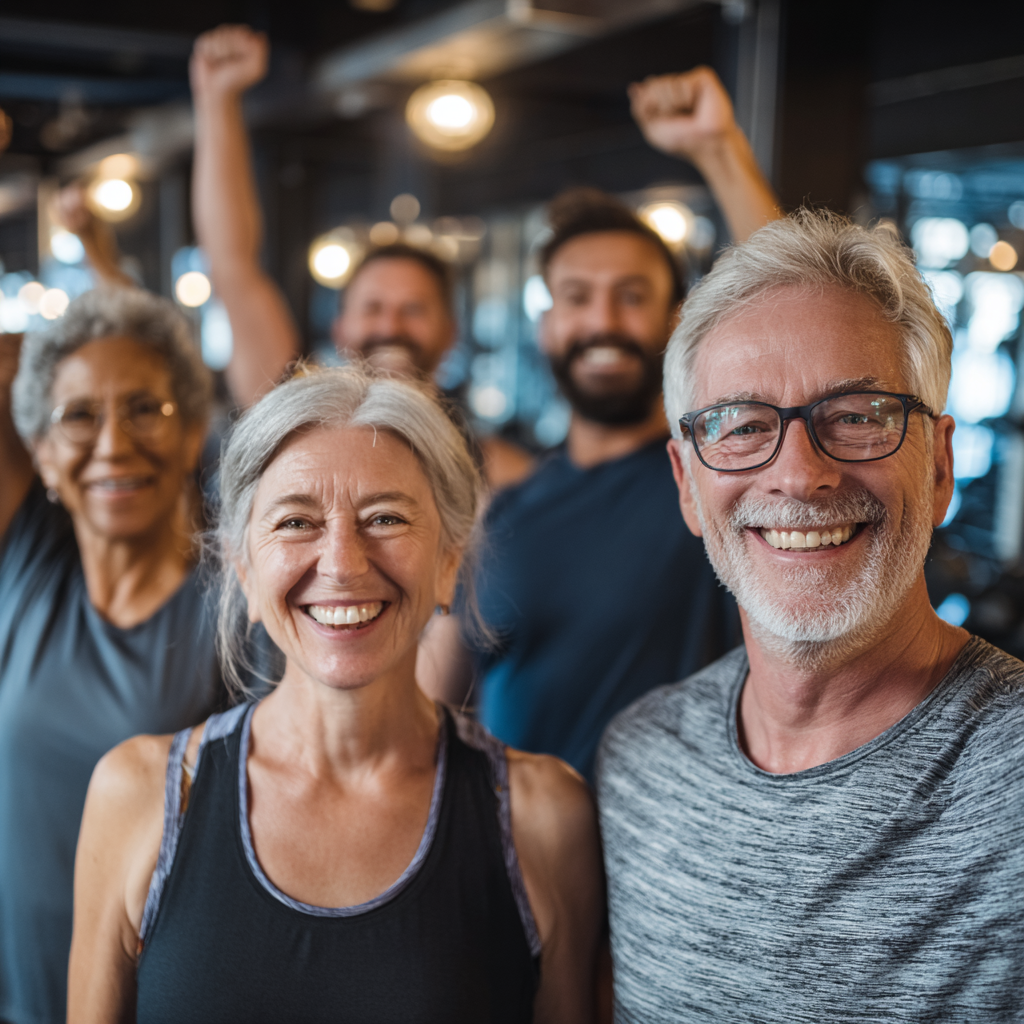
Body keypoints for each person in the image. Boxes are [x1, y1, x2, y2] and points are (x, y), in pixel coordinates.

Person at [68, 366, 604, 1023]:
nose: (343, 565)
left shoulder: (542, 818)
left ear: (447, 563)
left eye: (385, 518)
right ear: (243, 570)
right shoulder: (139, 795)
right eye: (296, 522)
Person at [597, 209, 1024, 1020]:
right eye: (745, 425)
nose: (799, 475)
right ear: (688, 484)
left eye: (857, 416)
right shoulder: (638, 762)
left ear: (939, 466)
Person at [420, 68, 781, 780]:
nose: (603, 322)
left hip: (666, 862)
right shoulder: (508, 508)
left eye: (632, 296)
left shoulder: (715, 476)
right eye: (577, 297)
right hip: (514, 862)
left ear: (677, 320)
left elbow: (789, 311)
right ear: (547, 323)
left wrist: (718, 151)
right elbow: (437, 699)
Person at [0, 289, 226, 1024]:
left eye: (145, 409)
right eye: (78, 416)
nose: (113, 444)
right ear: (39, 452)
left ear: (194, 432)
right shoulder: (26, 559)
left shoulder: (238, 615)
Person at [188, 24, 534, 489]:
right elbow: (231, 264)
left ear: (450, 332)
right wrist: (217, 101)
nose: (390, 325)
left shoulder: (495, 471)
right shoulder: (293, 419)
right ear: (340, 327)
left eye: (413, 309)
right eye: (373, 307)